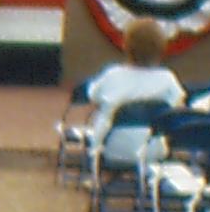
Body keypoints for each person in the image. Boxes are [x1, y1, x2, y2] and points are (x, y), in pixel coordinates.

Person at [66, 16, 187, 180]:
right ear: (162, 48)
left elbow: (91, 96)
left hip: (112, 147)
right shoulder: (168, 78)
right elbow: (178, 105)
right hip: (153, 150)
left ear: (125, 45)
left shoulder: (112, 75)